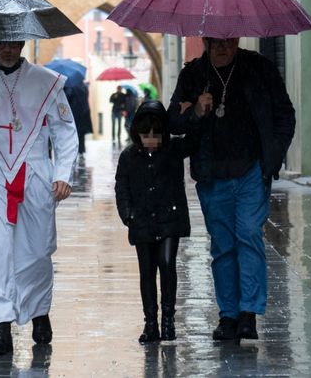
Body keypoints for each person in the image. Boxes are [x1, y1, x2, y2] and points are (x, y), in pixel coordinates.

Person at [167, 37, 295, 343]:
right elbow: (173, 120)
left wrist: (272, 157)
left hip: (251, 169)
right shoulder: (194, 74)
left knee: (249, 234)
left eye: (229, 41)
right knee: (223, 244)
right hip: (212, 174)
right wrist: (196, 110)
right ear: (206, 42)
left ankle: (249, 313)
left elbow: (284, 114)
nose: (224, 48)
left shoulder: (259, 68)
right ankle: (228, 316)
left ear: (237, 39)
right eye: (217, 42)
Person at [0, 41, 78, 355]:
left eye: (13, 43)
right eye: (1, 44)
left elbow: (64, 131)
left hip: (36, 173)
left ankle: (39, 312)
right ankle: (1, 326)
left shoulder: (46, 80)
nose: (7, 50)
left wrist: (63, 173)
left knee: (37, 250)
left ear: (21, 43)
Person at [114, 101, 189, 343]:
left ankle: (168, 321)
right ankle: (150, 324)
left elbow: (196, 136)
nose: (151, 141)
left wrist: (192, 111)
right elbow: (121, 187)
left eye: (156, 135)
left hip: (170, 217)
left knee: (167, 264)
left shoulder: (174, 149)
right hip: (142, 221)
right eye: (146, 135)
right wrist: (128, 215)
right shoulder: (128, 157)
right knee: (147, 271)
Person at [65, 81, 94, 154]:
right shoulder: (85, 87)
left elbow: (68, 96)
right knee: (81, 133)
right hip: (84, 113)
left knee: (75, 133)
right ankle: (81, 150)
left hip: (75, 113)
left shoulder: (72, 87)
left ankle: (75, 150)